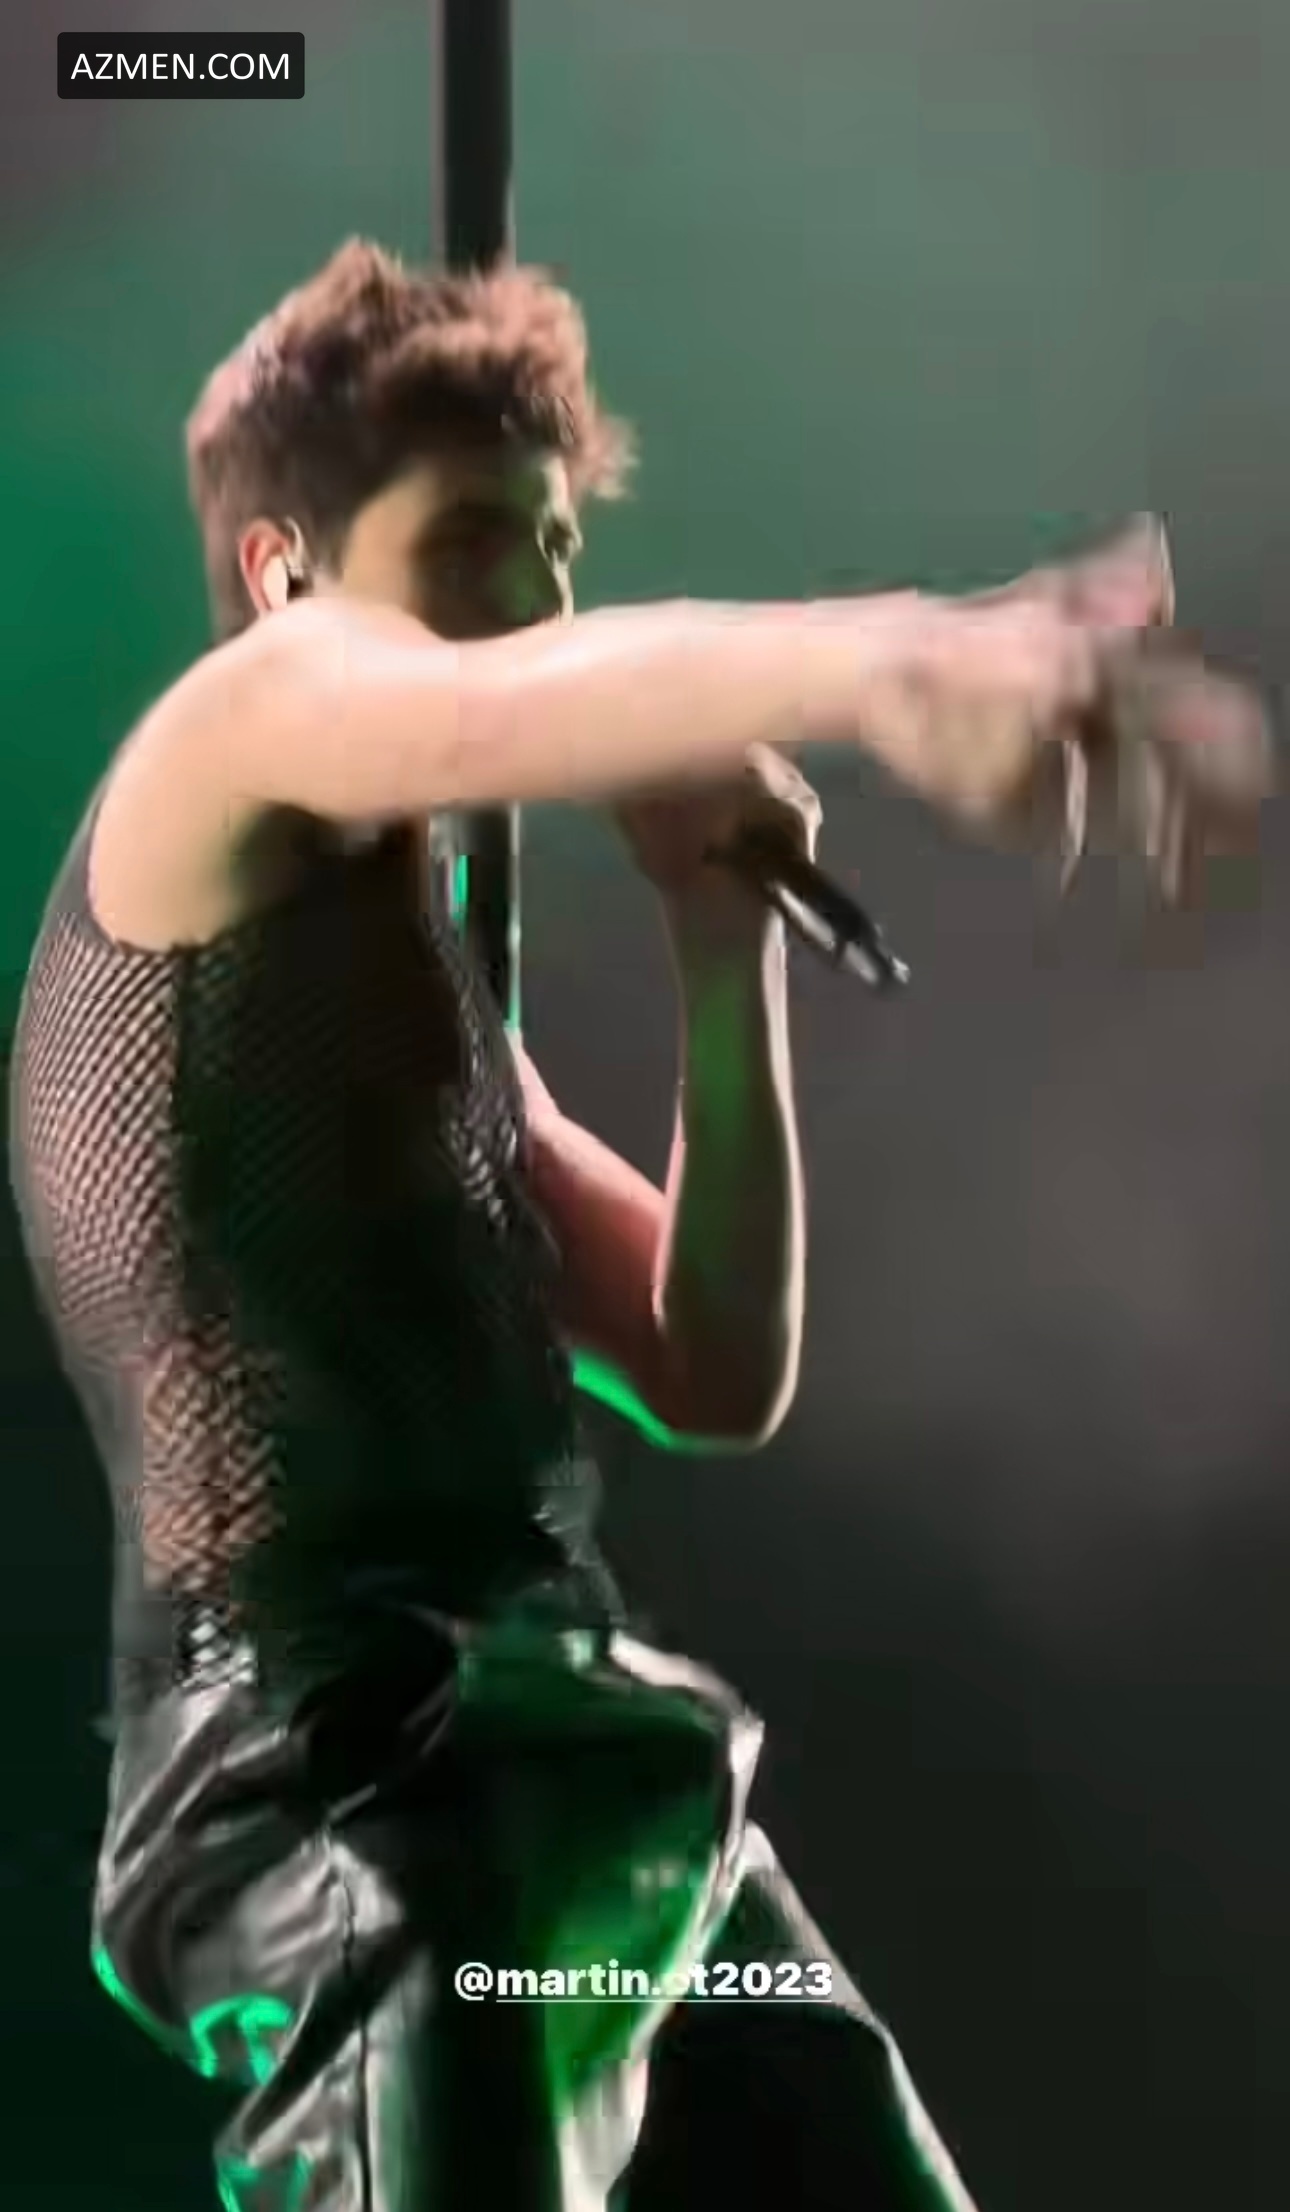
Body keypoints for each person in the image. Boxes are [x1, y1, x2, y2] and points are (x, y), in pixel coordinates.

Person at [7, 239, 1271, 2212]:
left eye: (557, 545)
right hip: (343, 1795)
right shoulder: (230, 736)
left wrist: (713, 945)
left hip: (583, 1773)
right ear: (283, 570)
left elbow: (708, 1365)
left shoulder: (433, 1007)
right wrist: (898, 662)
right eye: (470, 541)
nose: (536, 600)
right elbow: (453, 713)